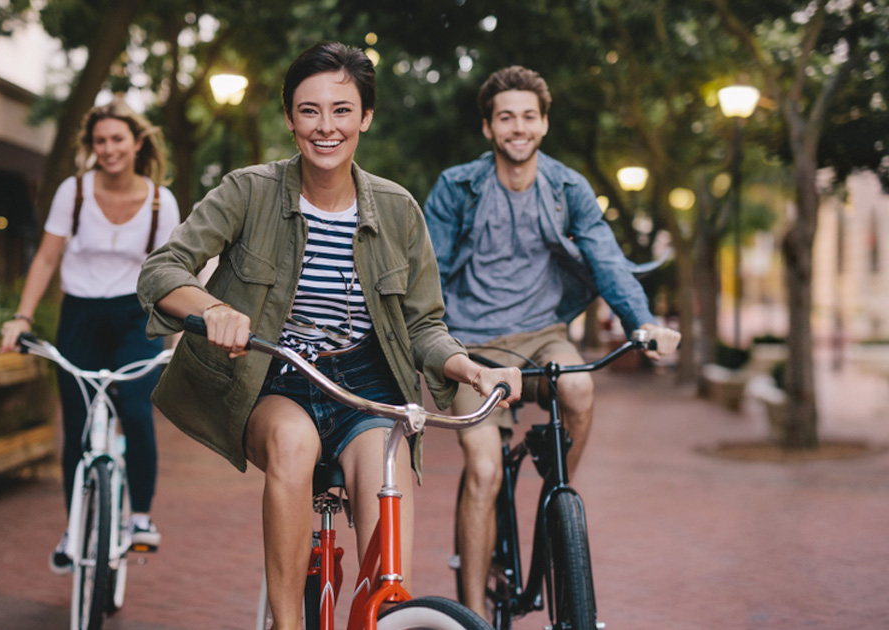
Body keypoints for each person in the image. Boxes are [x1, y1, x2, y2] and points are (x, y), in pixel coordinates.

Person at [138, 42, 521, 629]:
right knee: (293, 446)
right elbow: (162, 269)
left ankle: (383, 616)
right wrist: (213, 308)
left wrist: (469, 368)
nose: (326, 127)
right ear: (290, 118)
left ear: (365, 117)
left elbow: (423, 325)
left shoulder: (397, 210)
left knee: (386, 472)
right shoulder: (249, 190)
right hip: (276, 376)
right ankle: (289, 624)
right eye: (309, 110)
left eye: (342, 110)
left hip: (366, 384)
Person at [422, 65, 682, 619]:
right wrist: (437, 348)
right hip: (473, 347)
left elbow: (607, 261)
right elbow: (429, 277)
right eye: (506, 117)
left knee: (582, 391)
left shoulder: (567, 188)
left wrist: (642, 322)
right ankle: (470, 615)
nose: (519, 127)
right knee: (485, 470)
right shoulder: (456, 188)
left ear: (544, 124)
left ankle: (552, 504)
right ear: (489, 128)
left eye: (529, 117)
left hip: (544, 335)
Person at [0, 98, 180, 573]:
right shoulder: (73, 192)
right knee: (77, 427)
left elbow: (176, 271)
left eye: (117, 139)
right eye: (100, 141)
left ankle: (139, 517)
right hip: (79, 315)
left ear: (137, 142)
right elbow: (45, 258)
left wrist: (182, 333)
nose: (108, 149)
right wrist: (22, 316)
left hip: (136, 316)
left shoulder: (161, 200)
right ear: (91, 146)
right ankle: (74, 526)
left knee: (137, 410)